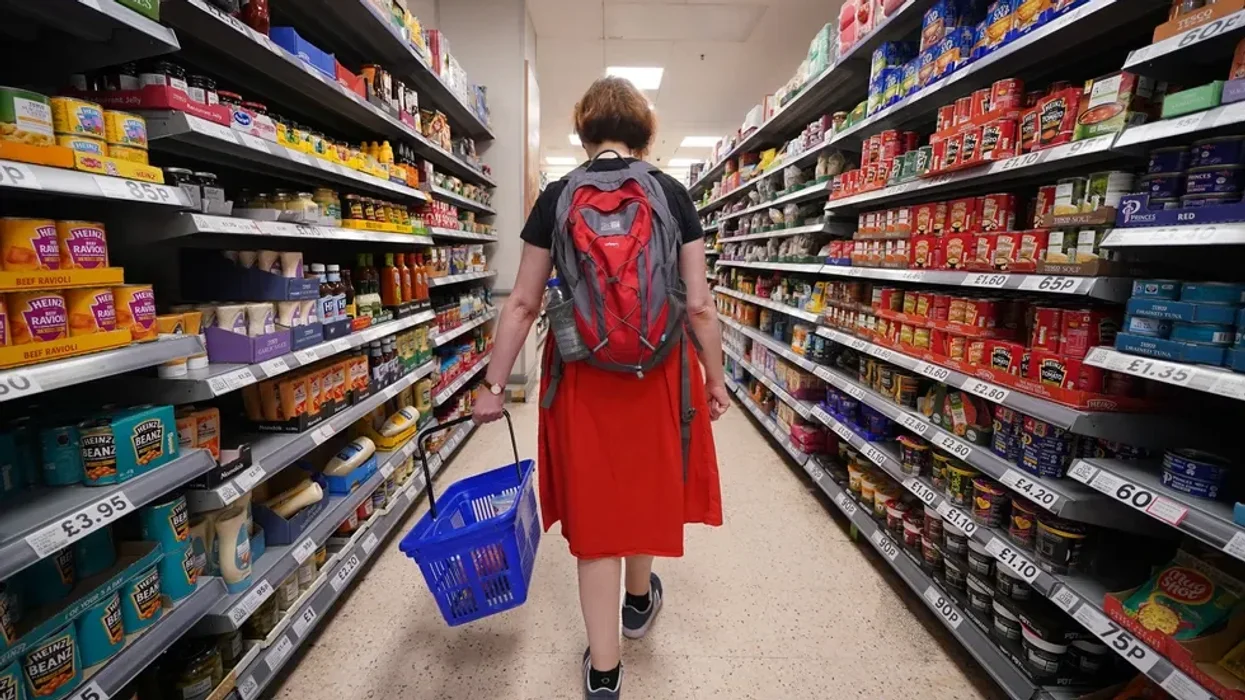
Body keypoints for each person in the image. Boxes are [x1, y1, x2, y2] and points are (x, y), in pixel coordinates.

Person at [472, 76, 728, 698]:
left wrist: (493, 384)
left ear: (584, 131)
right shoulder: (671, 193)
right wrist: (716, 378)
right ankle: (638, 604)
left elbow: (523, 304)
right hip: (661, 371)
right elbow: (698, 305)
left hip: (583, 373)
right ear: (645, 131)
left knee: (598, 515)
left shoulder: (557, 197)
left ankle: (605, 672)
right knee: (645, 488)